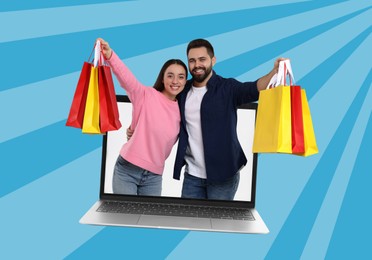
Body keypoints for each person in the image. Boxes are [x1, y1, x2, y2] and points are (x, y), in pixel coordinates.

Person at [128, 38, 287, 200]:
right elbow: (158, 105)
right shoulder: (182, 90)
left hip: (224, 176)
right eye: (192, 60)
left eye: (202, 59)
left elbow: (254, 88)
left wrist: (273, 72)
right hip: (192, 176)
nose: (197, 65)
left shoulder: (228, 88)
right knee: (188, 222)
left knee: (217, 223)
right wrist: (136, 126)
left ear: (213, 60)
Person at [97, 38, 187, 196]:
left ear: (186, 81)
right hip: (127, 170)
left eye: (181, 77)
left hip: (154, 176)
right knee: (125, 218)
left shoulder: (182, 110)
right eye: (170, 76)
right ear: (163, 78)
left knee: (150, 220)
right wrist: (110, 55)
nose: (175, 81)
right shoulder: (146, 95)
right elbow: (127, 80)